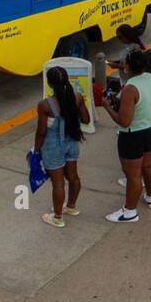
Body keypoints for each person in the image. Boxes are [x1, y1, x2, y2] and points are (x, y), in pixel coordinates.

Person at [110, 47, 151, 222]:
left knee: (133, 175)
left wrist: (107, 106)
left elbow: (124, 121)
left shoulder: (130, 88)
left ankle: (129, 211)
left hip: (133, 134)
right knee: (148, 165)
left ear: (127, 67)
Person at [36, 63, 91, 226]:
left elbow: (41, 132)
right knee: (73, 177)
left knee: (58, 184)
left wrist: (36, 150)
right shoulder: (77, 97)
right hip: (72, 142)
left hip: (53, 146)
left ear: (49, 83)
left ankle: (57, 217)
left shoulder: (45, 105)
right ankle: (71, 207)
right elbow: (86, 119)